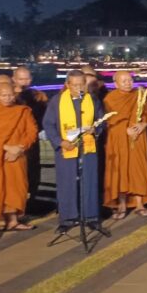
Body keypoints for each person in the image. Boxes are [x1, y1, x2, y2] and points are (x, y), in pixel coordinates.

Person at [43, 70, 108, 234]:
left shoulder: (92, 100)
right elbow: (48, 124)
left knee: (90, 182)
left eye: (81, 84)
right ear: (67, 85)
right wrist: (60, 142)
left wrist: (96, 128)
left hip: (88, 147)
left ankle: (91, 217)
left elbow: (101, 121)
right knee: (67, 183)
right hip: (67, 148)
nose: (79, 88)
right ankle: (68, 218)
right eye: (75, 85)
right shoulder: (57, 101)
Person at [0, 83, 38, 237]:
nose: (7, 98)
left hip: (17, 157)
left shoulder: (22, 111)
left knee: (15, 187)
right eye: (3, 95)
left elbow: (32, 132)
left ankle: (13, 220)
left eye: (10, 95)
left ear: (15, 95)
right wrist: (7, 147)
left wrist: (20, 148)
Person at [103, 72, 147, 219]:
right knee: (120, 170)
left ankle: (139, 204)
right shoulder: (110, 98)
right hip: (119, 139)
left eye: (130, 80)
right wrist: (125, 128)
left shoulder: (139, 95)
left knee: (137, 169)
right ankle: (122, 204)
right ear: (116, 84)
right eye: (123, 81)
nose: (127, 83)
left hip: (138, 137)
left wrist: (143, 124)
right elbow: (108, 121)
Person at [12, 65, 48, 201]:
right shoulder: (9, 96)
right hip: (13, 139)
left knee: (33, 168)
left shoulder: (37, 96)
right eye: (20, 79)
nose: (24, 82)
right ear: (14, 79)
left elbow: (42, 117)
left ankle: (32, 196)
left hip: (31, 138)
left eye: (27, 79)